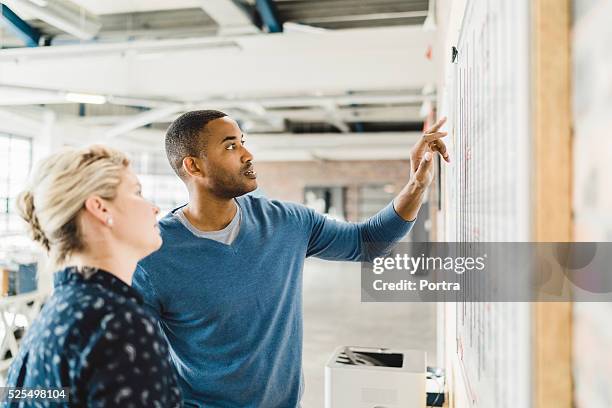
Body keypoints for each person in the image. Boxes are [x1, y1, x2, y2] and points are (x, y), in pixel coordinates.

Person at [133, 110, 449, 407]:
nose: (247, 154)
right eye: (231, 146)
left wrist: (417, 185)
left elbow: (366, 243)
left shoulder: (286, 223)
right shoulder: (151, 254)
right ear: (194, 167)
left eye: (242, 142)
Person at [6, 145, 182, 407]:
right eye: (137, 192)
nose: (154, 208)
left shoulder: (60, 312)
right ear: (100, 208)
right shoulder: (118, 324)